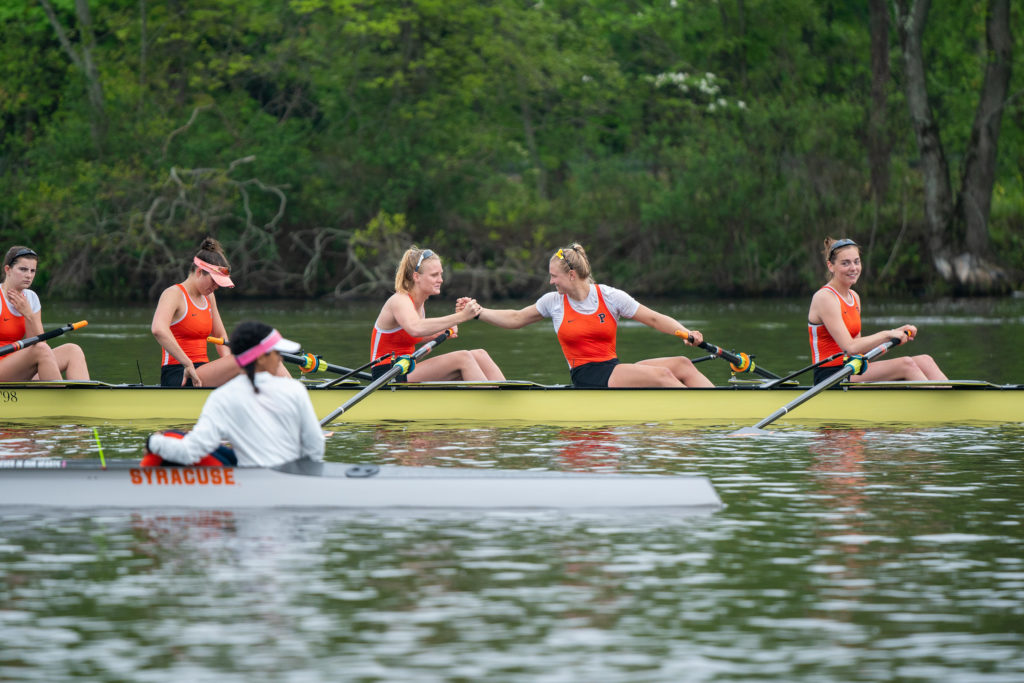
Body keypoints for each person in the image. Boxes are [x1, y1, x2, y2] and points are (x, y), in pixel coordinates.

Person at [470, 243, 713, 388]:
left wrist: (686, 332)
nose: (551, 280)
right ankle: (703, 414)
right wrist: (479, 312)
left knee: (681, 363)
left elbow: (654, 318)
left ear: (572, 275)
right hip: (587, 375)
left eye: (554, 276)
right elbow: (515, 318)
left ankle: (720, 407)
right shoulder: (553, 302)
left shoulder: (609, 296)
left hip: (611, 368)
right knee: (662, 375)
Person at [145, 320, 325, 467]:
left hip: (250, 483)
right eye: (276, 352)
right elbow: (315, 446)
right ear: (260, 358)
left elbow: (191, 452)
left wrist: (153, 442)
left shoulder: (222, 397)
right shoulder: (294, 390)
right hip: (292, 478)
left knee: (171, 437)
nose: (280, 358)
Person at [151, 237, 290, 387]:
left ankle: (297, 392)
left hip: (204, 372)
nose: (216, 287)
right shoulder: (173, 294)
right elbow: (158, 329)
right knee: (249, 357)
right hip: (180, 373)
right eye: (214, 282)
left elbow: (220, 337)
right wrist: (187, 363)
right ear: (199, 272)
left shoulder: (209, 297)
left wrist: (231, 366)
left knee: (268, 355)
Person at [808, 237, 947, 384]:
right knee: (906, 364)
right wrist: (888, 334)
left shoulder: (854, 297)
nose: (853, 268)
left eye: (856, 261)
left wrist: (895, 333)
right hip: (830, 377)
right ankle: (936, 405)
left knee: (926, 360)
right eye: (845, 263)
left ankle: (951, 399)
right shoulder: (825, 298)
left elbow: (860, 351)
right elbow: (850, 347)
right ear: (830, 266)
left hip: (853, 368)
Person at [370, 247, 505, 382]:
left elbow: (408, 337)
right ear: (416, 276)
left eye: (441, 274)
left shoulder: (420, 304)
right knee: (463, 358)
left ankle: (505, 395)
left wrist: (439, 332)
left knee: (480, 354)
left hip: (406, 367)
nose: (440, 280)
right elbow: (415, 328)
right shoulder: (400, 300)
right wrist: (461, 316)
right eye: (434, 275)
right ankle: (487, 399)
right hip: (387, 373)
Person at [0, 245, 89, 381]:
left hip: (18, 366)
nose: (29, 275)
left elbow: (37, 342)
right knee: (41, 350)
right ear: (8, 270)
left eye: (32, 271)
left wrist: (28, 315)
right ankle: (58, 398)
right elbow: (40, 349)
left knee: (73, 350)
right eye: (23, 269)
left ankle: (85, 399)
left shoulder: (31, 298)